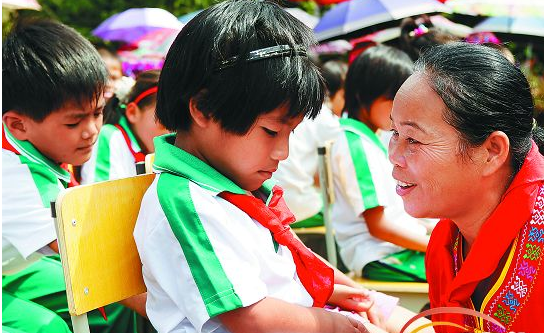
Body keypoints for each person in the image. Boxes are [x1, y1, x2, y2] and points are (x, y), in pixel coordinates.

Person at [133, 1, 431, 333]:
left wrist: (346, 293)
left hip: (301, 311)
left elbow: (286, 267)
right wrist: (338, 323)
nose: (283, 152)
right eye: (271, 131)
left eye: (290, 133)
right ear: (203, 109)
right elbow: (249, 315)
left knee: (409, 322)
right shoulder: (185, 201)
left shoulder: (233, 185)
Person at [389, 42, 544, 332]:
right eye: (394, 133)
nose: (393, 155)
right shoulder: (444, 245)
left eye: (413, 139)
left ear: (491, 150)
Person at [2, 19, 145, 333]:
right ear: (18, 125)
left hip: (16, 268)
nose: (92, 130)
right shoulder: (12, 179)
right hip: (11, 271)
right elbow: (91, 259)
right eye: (73, 123)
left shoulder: (46, 149)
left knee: (108, 307)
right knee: (47, 327)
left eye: (97, 112)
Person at [330, 45, 433, 282]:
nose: (400, 111)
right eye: (392, 101)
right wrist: (435, 246)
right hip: (380, 255)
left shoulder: (370, 138)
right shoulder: (355, 145)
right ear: (363, 95)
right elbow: (379, 226)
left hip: (393, 248)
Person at [272, 60, 348, 228]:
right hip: (299, 209)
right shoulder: (324, 117)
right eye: (346, 95)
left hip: (273, 206)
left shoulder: (278, 107)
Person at [81, 70, 169, 183]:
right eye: (165, 120)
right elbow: (101, 198)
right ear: (133, 112)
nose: (172, 131)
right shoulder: (110, 137)